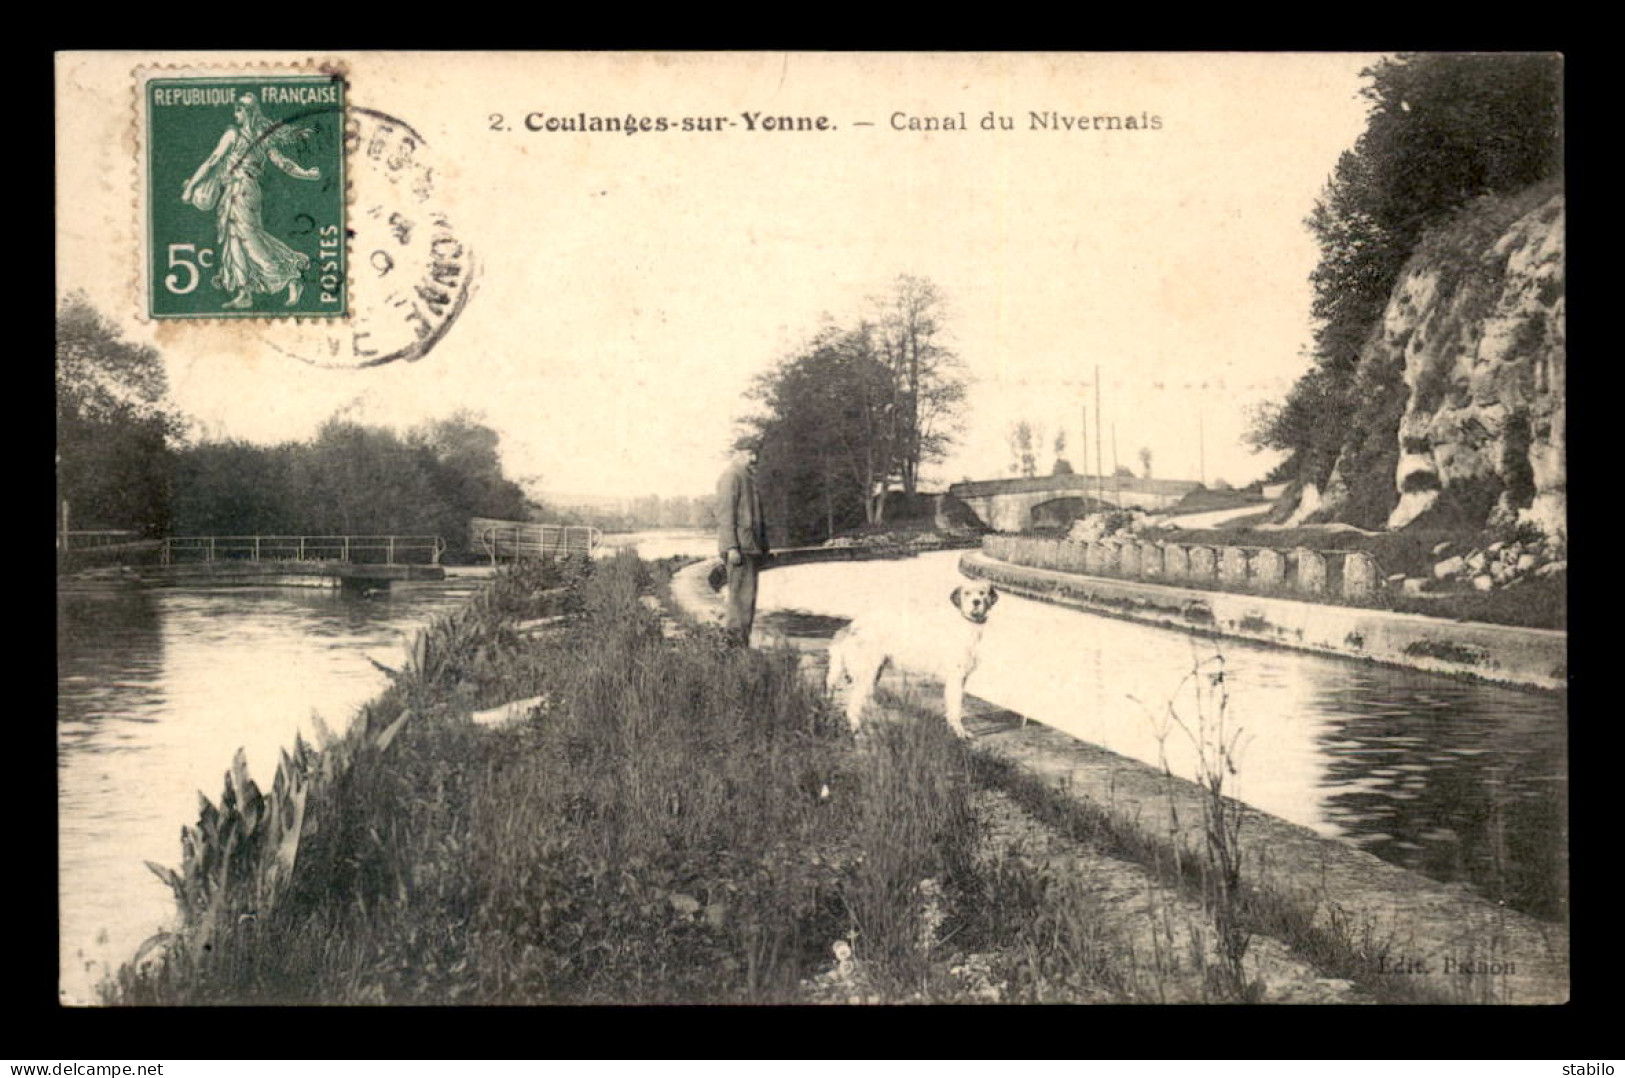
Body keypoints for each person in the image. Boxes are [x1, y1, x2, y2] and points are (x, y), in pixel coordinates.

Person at [181, 93, 322, 310]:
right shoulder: (262, 136)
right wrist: (306, 173)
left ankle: (290, 275)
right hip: (239, 190)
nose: (234, 114)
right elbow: (282, 163)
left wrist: (191, 187)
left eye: (238, 109)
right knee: (235, 240)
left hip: (242, 191)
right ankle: (244, 292)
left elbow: (212, 161)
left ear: (247, 112)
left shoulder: (233, 134)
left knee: (248, 239)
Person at [715, 444, 769, 646]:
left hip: (749, 546)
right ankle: (734, 645)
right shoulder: (731, 476)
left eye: (755, 453)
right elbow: (725, 515)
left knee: (747, 600)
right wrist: (731, 547)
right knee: (739, 599)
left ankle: (740, 643)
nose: (753, 458)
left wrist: (763, 547)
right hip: (740, 548)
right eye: (749, 453)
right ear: (737, 453)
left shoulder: (746, 477)